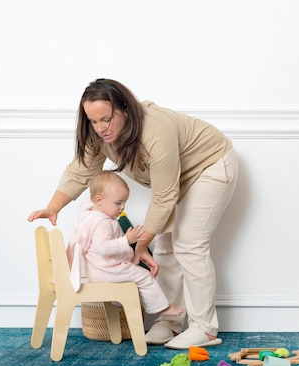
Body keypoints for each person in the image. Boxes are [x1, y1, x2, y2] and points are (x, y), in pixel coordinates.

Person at [28, 78, 238, 349]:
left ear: (124, 109)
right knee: (164, 247)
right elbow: (81, 170)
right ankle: (170, 322)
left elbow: (164, 197)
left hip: (210, 166)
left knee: (189, 244)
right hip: (177, 179)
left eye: (106, 119)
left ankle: (204, 329)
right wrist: (53, 207)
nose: (100, 128)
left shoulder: (155, 131)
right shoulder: (99, 133)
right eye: (92, 121)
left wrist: (139, 245)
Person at [69, 170, 183, 318]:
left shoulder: (89, 217)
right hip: (108, 271)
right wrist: (126, 240)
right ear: (98, 200)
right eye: (118, 203)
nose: (122, 207)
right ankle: (161, 307)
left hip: (99, 271)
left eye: (124, 202)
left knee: (137, 273)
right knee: (144, 276)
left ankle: (134, 301)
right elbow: (102, 248)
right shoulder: (102, 222)